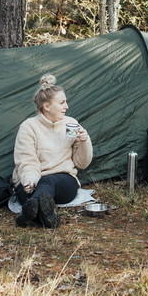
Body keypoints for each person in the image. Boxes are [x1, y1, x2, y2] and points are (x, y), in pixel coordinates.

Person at [12, 74, 93, 228]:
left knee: (49, 181)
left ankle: (29, 213)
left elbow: (81, 163)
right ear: (47, 106)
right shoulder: (29, 127)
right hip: (33, 180)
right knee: (40, 185)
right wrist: (30, 180)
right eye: (62, 102)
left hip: (63, 181)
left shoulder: (70, 124)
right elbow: (26, 160)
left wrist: (84, 141)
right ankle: (45, 216)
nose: (67, 106)